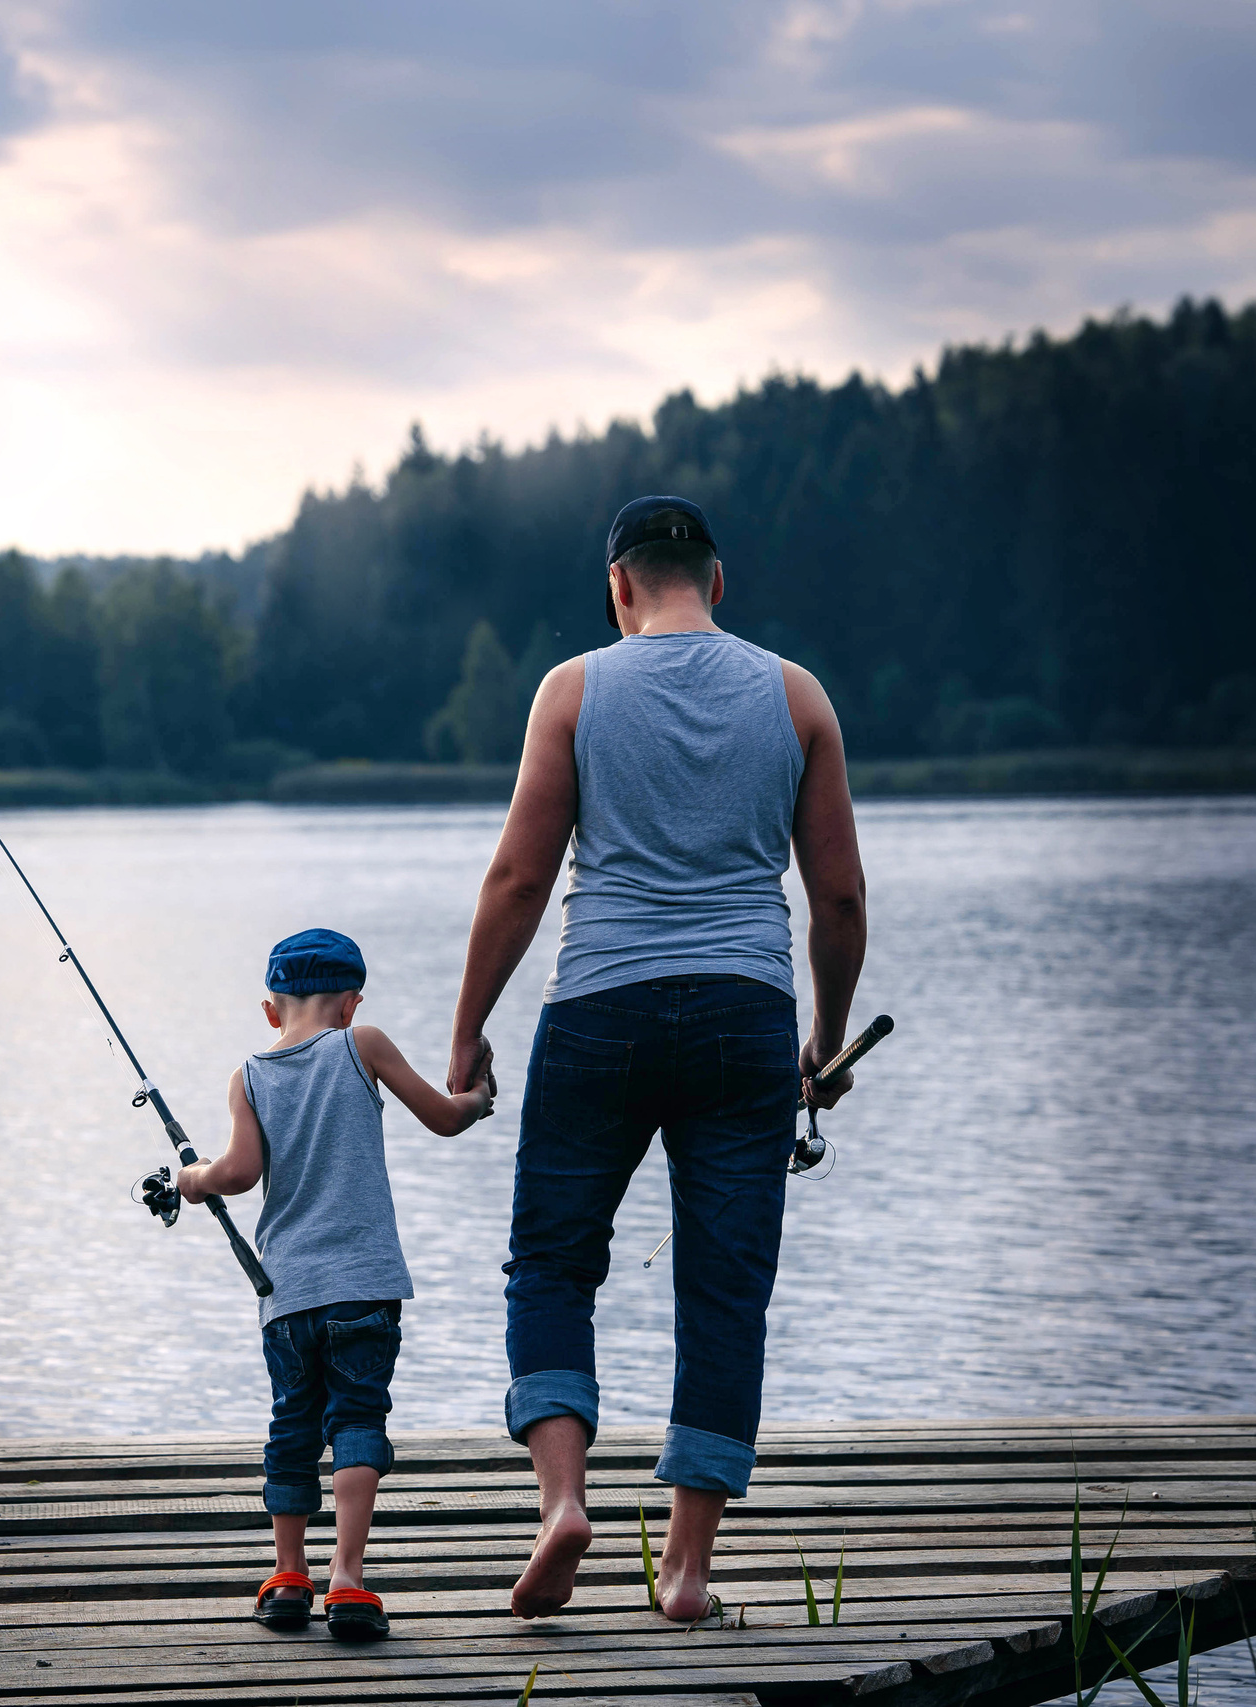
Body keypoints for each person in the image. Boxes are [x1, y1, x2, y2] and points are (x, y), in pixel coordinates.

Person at [444, 496, 867, 1622]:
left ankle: (564, 1506)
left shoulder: (572, 690)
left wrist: (466, 1025)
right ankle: (683, 1574)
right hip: (746, 1014)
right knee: (724, 1293)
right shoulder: (796, 696)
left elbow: (520, 880)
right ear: (716, 582)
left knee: (551, 1264)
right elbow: (837, 894)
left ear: (618, 587)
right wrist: (824, 1038)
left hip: (597, 1010)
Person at [179, 927, 496, 1642]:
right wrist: (477, 1097)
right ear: (350, 1004)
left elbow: (236, 1174)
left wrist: (190, 1179)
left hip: (286, 1293)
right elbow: (445, 1119)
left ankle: (288, 1573)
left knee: (292, 1424)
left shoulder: (248, 1074)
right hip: (364, 1286)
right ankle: (348, 1580)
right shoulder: (363, 1043)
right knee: (357, 1418)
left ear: (271, 1010)